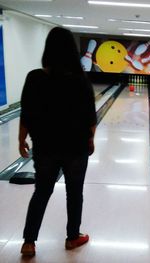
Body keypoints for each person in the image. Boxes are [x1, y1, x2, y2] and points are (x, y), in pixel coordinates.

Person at [18, 27, 97, 257]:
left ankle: (29, 242)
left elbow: (27, 112)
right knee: (74, 193)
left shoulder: (34, 78)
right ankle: (73, 237)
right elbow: (91, 117)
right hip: (76, 148)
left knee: (41, 192)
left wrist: (21, 138)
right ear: (73, 51)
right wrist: (90, 140)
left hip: (45, 147)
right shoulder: (81, 81)